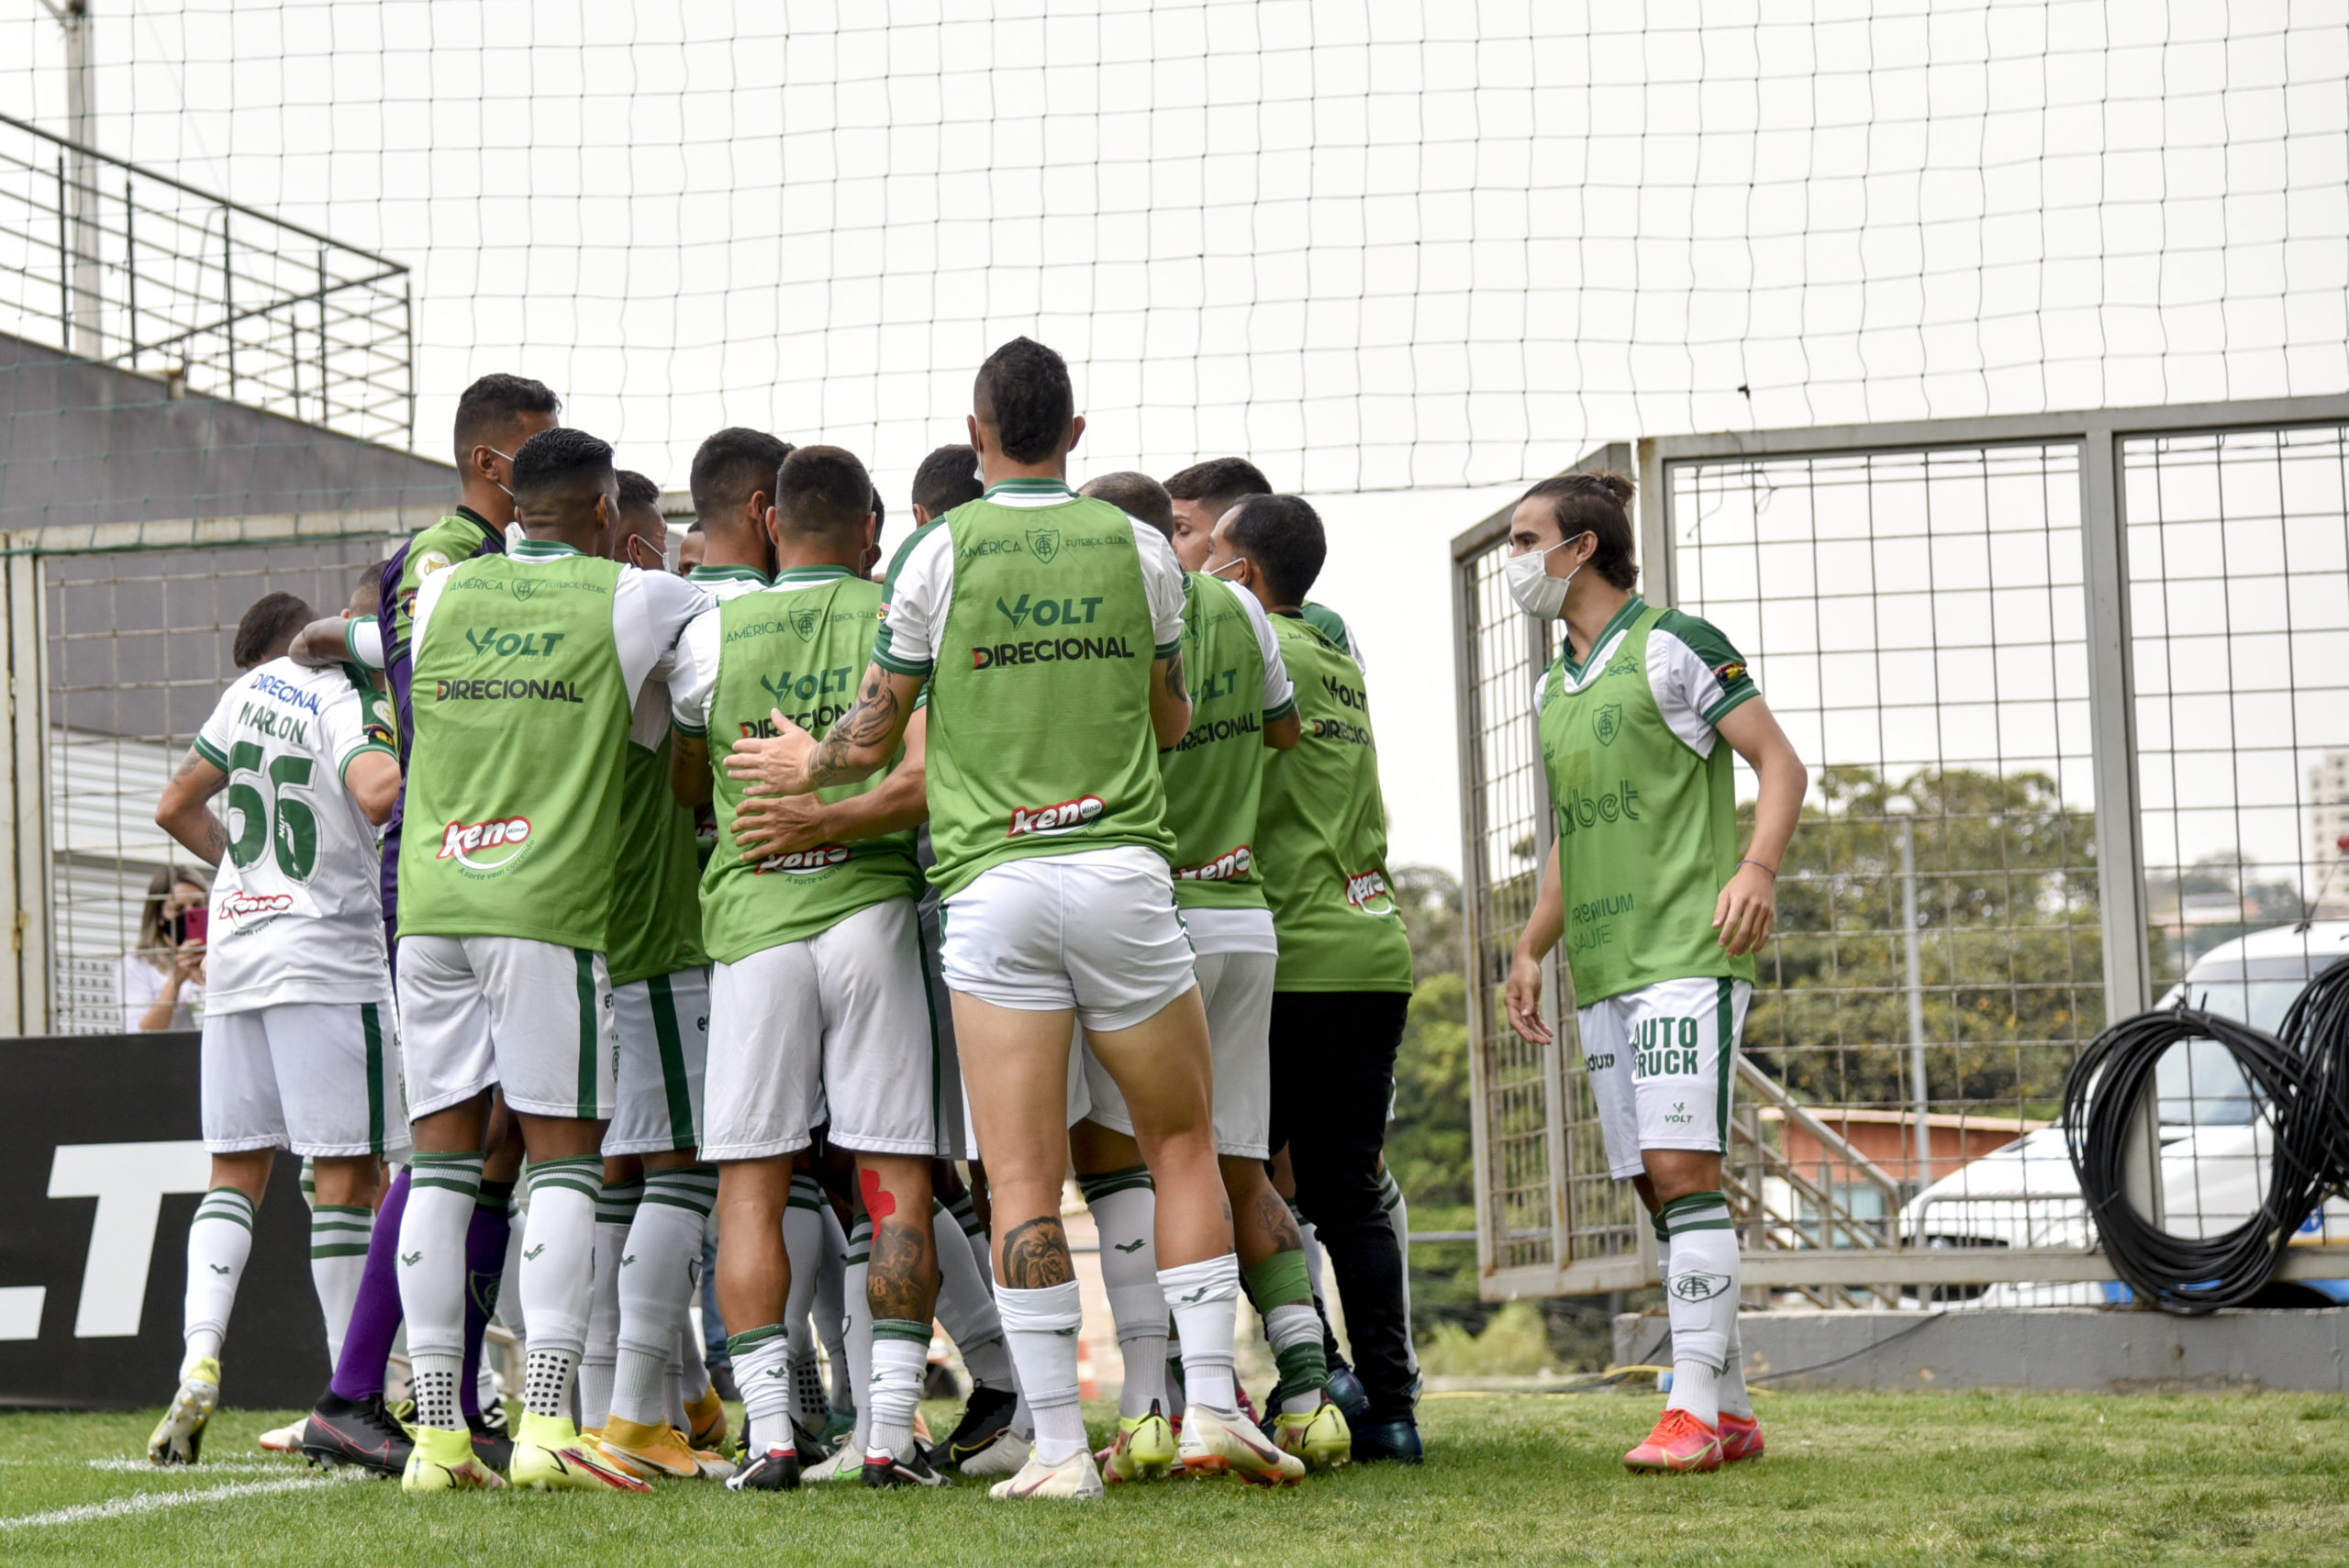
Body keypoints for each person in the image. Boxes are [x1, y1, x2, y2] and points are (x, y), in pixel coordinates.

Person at [727, 338, 1302, 1498]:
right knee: (1183, 1142)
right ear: (1075, 434)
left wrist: (807, 759)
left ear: (978, 431)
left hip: (995, 889)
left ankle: (1055, 1446)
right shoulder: (1141, 544)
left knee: (1023, 1178)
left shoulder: (937, 551)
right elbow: (1174, 717)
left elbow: (871, 735)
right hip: (1122, 876)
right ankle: (1205, 1410)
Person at [392, 424, 707, 1496]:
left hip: (430, 902)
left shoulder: (443, 592)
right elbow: (710, 680)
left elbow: (358, 637)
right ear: (610, 504)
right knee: (564, 1161)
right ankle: (546, 1422)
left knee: (438, 1163)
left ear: (514, 499)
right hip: (544, 908)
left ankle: (437, 1437)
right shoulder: (638, 595)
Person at [1499, 472, 1807, 1474]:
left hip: (1683, 952)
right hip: (1602, 961)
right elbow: (1572, 838)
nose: (1514, 562)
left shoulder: (1673, 643)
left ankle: (1685, 1413)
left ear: (1580, 547)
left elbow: (1779, 762)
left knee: (1685, 1174)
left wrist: (1754, 868)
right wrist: (1530, 948)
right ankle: (1731, 1408)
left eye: (1524, 540)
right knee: (1652, 1189)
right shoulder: (1551, 687)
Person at [289, 377, 560, 1479]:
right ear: (494, 464)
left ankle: (439, 1395)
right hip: (450, 860)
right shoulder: (455, 557)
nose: (553, 473)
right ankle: (356, 1391)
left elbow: (350, 636)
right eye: (539, 455)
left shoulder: (451, 560)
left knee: (497, 1133)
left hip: (480, 858)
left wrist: (330, 635)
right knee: (459, 1131)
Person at [669, 443, 945, 1493]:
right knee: (891, 1176)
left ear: (771, 523)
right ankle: (886, 1436)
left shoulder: (712, 627)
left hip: (753, 925)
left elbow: (691, 775)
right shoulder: (899, 615)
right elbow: (923, 775)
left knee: (749, 1182)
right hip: (870, 910)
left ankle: (772, 1437)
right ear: (871, 530)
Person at [1067, 472, 1353, 1475]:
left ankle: (1153, 1404)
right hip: (1245, 914)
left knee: (1117, 1160)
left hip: (1158, 913)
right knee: (1238, 1165)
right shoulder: (1240, 605)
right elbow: (1281, 731)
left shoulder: (1117, 617)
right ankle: (1311, 1392)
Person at [143, 591, 406, 1464]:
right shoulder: (347, 694)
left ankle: (199, 1355)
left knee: (233, 1172)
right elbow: (375, 796)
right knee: (346, 1176)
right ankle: (351, 1401)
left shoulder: (244, 697)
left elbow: (174, 806)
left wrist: (245, 871)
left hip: (240, 954)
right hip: (325, 955)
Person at [1203, 494, 1421, 1462]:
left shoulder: (1251, 653)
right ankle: (1390, 1407)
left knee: (1239, 1173)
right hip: (1373, 948)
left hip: (1289, 951)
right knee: (1349, 1188)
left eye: (1208, 552)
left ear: (1244, 576)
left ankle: (1312, 1372)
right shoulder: (1339, 660)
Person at [576, 470, 733, 1483]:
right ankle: (632, 1419)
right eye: (668, 551)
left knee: (616, 1179)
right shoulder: (651, 656)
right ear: (636, 555)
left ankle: (634, 1405)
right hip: (655, 938)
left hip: (586, 943)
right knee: (681, 1166)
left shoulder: (561, 653)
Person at [1164, 458, 1362, 662]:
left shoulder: (1321, 626)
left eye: (1182, 530)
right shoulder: (1165, 619)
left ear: (1232, 530)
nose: (1168, 545)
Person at [120, 866, 209, 1031]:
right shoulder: (138, 961)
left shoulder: (221, 952)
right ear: (159, 916)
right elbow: (137, 1034)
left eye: (197, 905)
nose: (189, 914)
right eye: (178, 909)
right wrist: (176, 980)